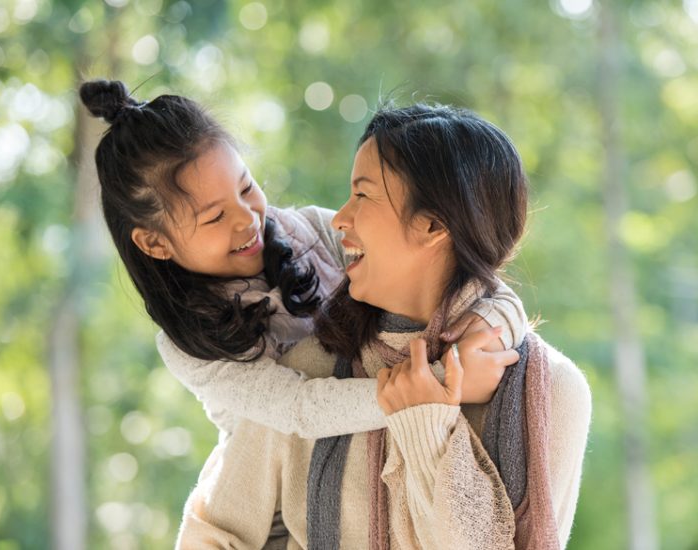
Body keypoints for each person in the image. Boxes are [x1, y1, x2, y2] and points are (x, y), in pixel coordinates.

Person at [177, 104, 592, 549]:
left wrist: (426, 425)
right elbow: (211, 535)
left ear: (432, 224)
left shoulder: (551, 391)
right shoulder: (307, 372)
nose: (339, 219)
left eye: (363, 195)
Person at [78, 79, 527, 447]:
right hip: (273, 496)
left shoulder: (309, 230)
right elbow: (300, 408)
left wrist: (490, 324)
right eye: (214, 216)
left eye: (246, 187)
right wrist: (431, 387)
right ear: (155, 244)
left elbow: (465, 274)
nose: (247, 219)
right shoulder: (188, 342)